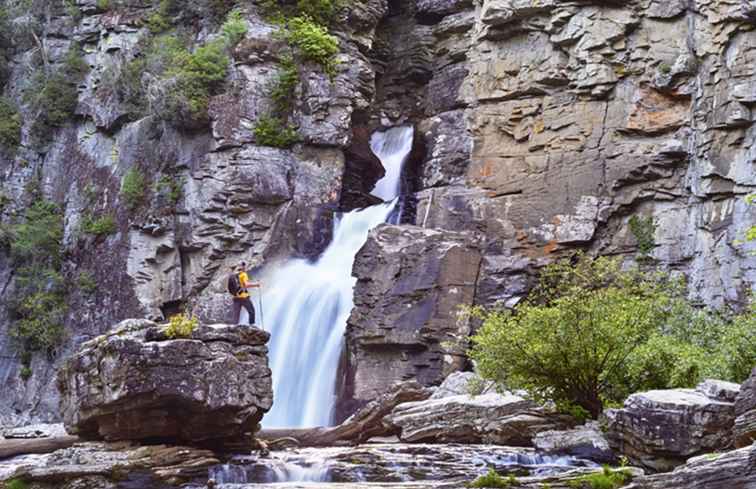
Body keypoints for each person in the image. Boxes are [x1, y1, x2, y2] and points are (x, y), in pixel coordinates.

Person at [230, 261, 261, 325]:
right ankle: (251, 326)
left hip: (235, 297)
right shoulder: (243, 274)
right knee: (251, 311)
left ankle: (233, 328)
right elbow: (246, 285)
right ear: (243, 267)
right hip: (244, 297)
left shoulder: (233, 275)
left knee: (236, 315)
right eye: (245, 266)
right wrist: (256, 284)